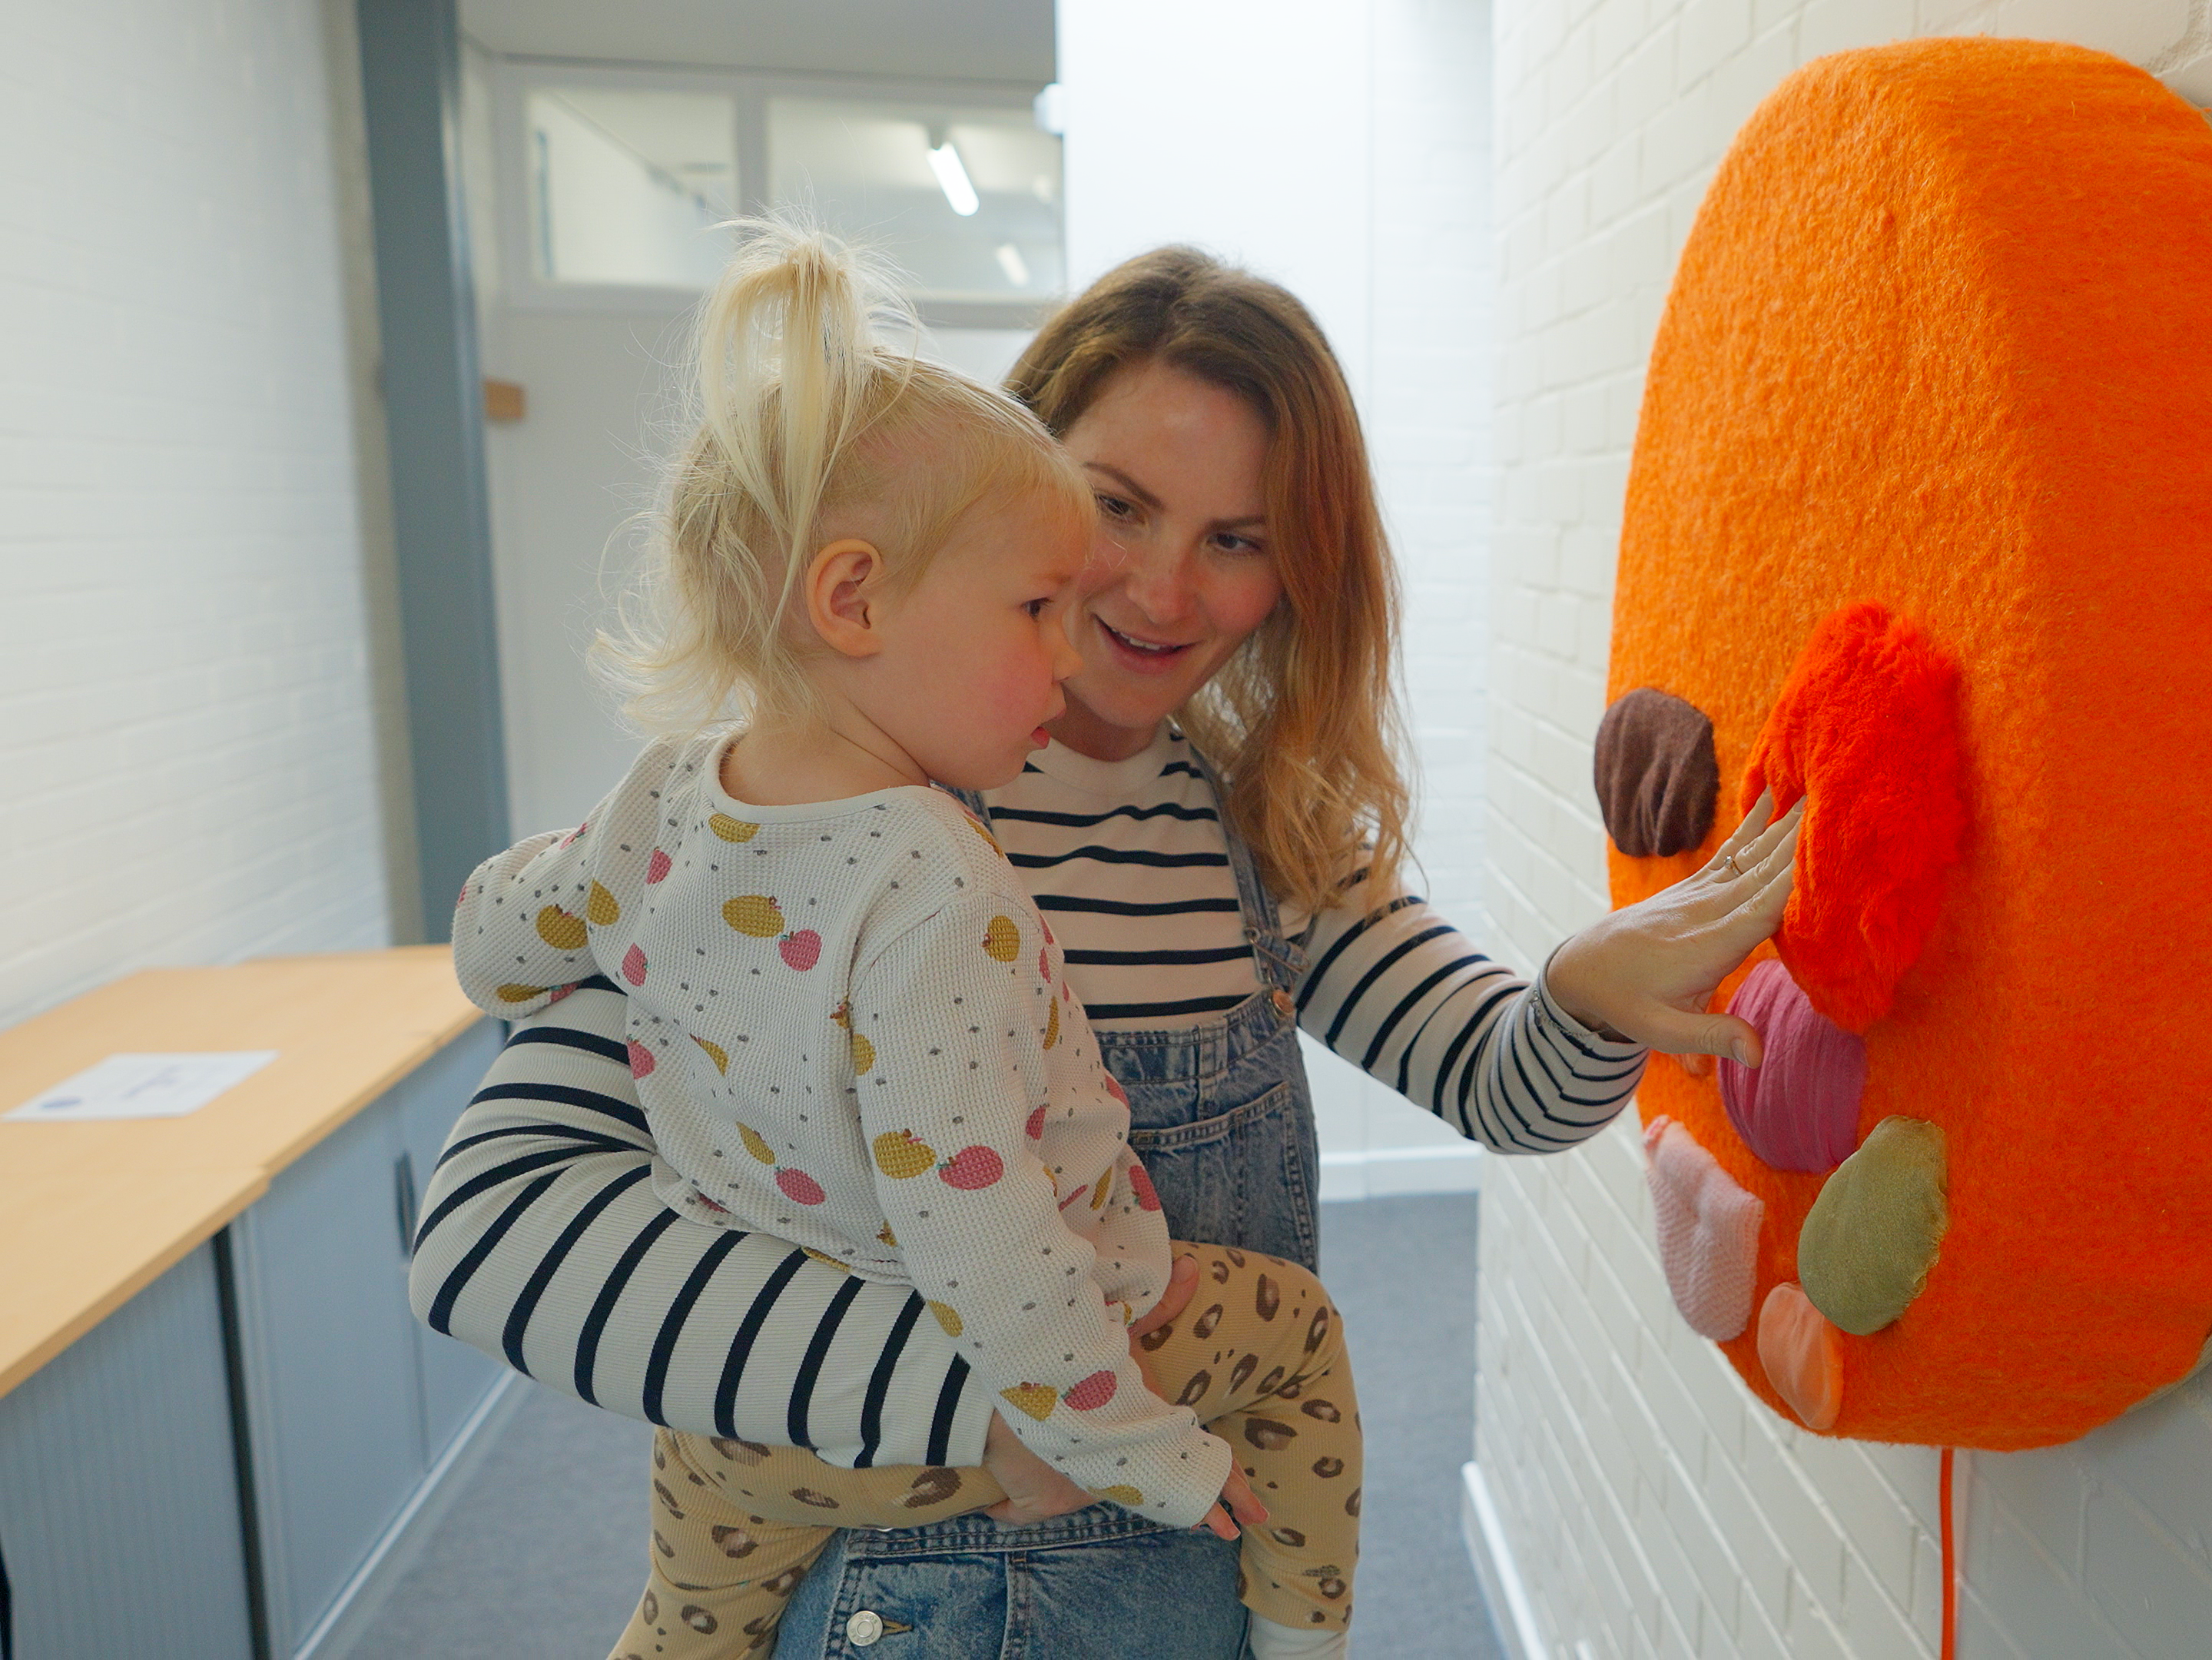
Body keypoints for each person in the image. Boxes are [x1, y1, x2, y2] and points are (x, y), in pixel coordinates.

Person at [410, 244, 1799, 1658]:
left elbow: (1512, 1091)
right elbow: (493, 1243)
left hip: (1188, 1595)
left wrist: (1584, 996)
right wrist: (1008, 1414)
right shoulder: (798, 833)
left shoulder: (1258, 832)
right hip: (902, 1599)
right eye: (1116, 508)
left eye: (1239, 541)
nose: (1158, 592)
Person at [447, 223, 1365, 1659]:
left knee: (686, 1617)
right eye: (1045, 596)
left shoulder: (674, 796)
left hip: (738, 1447)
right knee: (1297, 1337)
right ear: (859, 597)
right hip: (992, 1468)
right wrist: (1129, 1444)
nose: (1100, 631)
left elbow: (502, 931)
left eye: (1237, 540)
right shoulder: (947, 887)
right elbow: (979, 1222)